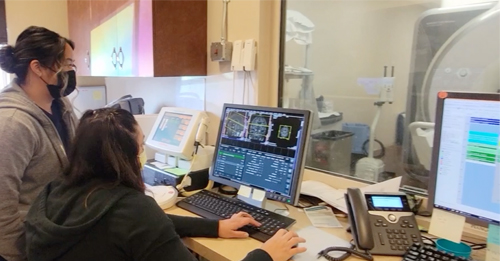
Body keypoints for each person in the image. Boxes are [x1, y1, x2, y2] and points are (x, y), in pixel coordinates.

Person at [25, 108, 307, 261]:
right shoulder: (131, 209)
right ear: (126, 157)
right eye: (140, 145)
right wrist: (265, 255)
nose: (142, 152)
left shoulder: (56, 192)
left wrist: (215, 226)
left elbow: (139, 224)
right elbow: (138, 221)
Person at [0, 26, 78, 261]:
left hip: (51, 239)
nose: (71, 72)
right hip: (25, 251)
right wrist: (23, 254)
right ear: (38, 68)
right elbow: (2, 208)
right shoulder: (12, 124)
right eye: (66, 64)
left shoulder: (61, 106)